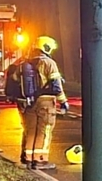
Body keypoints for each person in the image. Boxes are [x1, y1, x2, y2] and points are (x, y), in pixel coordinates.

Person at [15, 36, 68, 167]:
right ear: (46, 47)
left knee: (31, 130)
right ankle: (40, 159)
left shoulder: (24, 64)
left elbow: (15, 81)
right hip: (46, 102)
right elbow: (56, 86)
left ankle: (28, 158)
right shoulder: (49, 63)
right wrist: (63, 101)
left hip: (29, 102)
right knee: (44, 130)